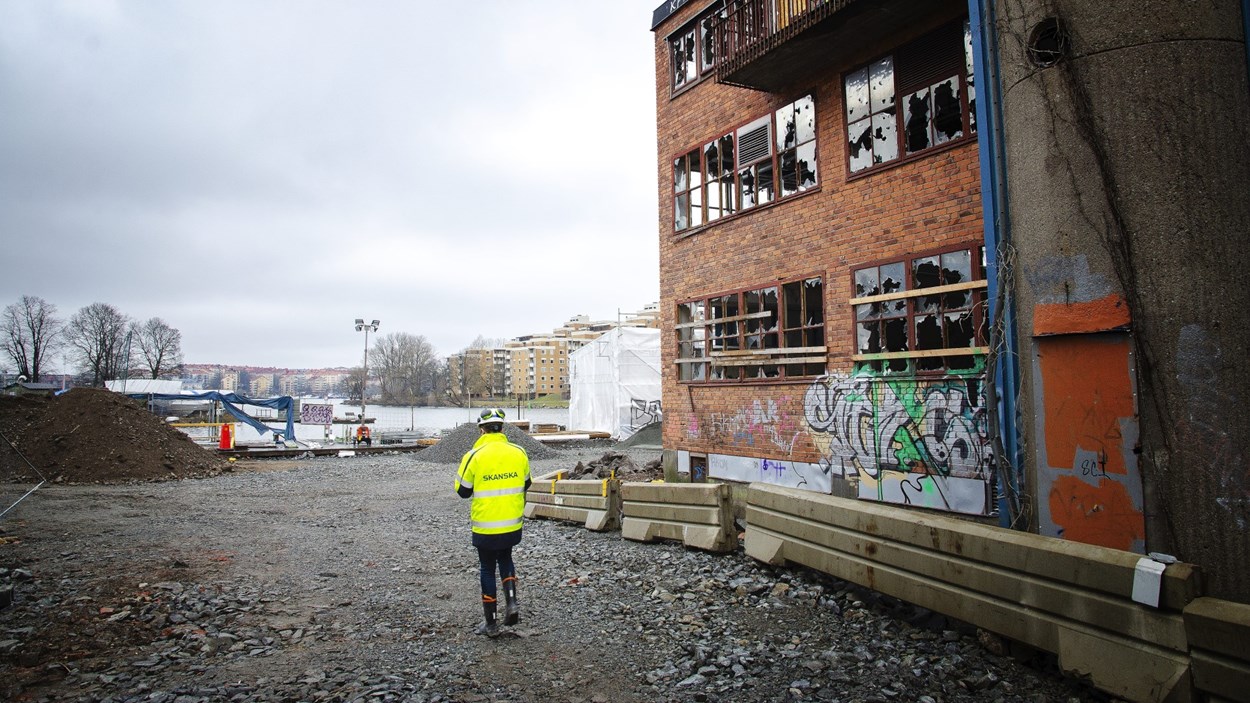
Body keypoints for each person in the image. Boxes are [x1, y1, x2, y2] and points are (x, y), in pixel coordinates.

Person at [455, 407, 531, 637]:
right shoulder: (519, 452)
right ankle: (512, 602)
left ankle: (491, 623)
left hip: (486, 526)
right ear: (502, 428)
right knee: (506, 558)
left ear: (481, 430)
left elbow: (463, 491)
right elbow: (526, 483)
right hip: (512, 524)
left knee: (487, 568)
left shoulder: (474, 456)